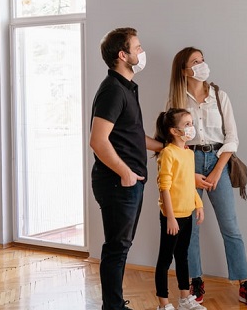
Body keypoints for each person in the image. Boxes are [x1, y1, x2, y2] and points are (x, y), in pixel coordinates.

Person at [165, 47, 247, 309]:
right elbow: (172, 142)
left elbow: (232, 138)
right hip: (189, 163)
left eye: (202, 60)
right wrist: (189, 174)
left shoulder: (219, 96)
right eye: (195, 62)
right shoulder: (176, 100)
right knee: (191, 229)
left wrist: (218, 169)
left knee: (230, 226)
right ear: (184, 70)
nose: (202, 65)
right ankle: (196, 280)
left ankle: (244, 283)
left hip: (218, 160)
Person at [90, 27, 164, 310]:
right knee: (116, 248)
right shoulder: (112, 91)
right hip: (118, 183)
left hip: (130, 182)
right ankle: (113, 306)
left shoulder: (126, 88)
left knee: (121, 246)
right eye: (138, 47)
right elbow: (98, 140)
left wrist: (165, 146)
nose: (142, 52)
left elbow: (131, 135)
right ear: (123, 55)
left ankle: (115, 304)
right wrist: (125, 173)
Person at [152, 109, 207, 310]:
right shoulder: (168, 153)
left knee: (182, 256)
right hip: (172, 217)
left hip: (187, 214)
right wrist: (170, 217)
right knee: (165, 259)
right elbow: (164, 187)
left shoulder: (189, 153)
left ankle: (185, 299)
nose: (191, 128)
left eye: (191, 123)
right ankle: (163, 304)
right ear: (174, 131)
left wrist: (198, 205)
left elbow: (188, 184)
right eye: (187, 124)